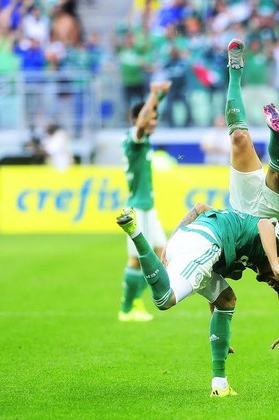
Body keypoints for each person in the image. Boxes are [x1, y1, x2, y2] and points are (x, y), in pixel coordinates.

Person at [115, 204, 279, 397]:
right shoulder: (276, 245)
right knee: (165, 299)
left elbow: (200, 208)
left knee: (226, 300)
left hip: (186, 238)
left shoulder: (247, 255)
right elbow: (265, 224)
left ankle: (220, 385)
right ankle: (135, 232)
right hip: (205, 242)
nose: (276, 284)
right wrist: (274, 266)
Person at [225, 38, 279, 229]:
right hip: (272, 218)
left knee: (238, 137)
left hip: (241, 209)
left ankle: (234, 71)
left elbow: (199, 208)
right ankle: (277, 132)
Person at [118, 80, 171, 322]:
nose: (154, 121)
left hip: (148, 208)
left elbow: (146, 118)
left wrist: (160, 97)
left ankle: (145, 299)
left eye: (156, 118)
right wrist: (152, 93)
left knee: (162, 251)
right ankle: (129, 307)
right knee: (138, 259)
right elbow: (141, 122)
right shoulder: (134, 138)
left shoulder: (144, 141)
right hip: (138, 208)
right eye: (151, 117)